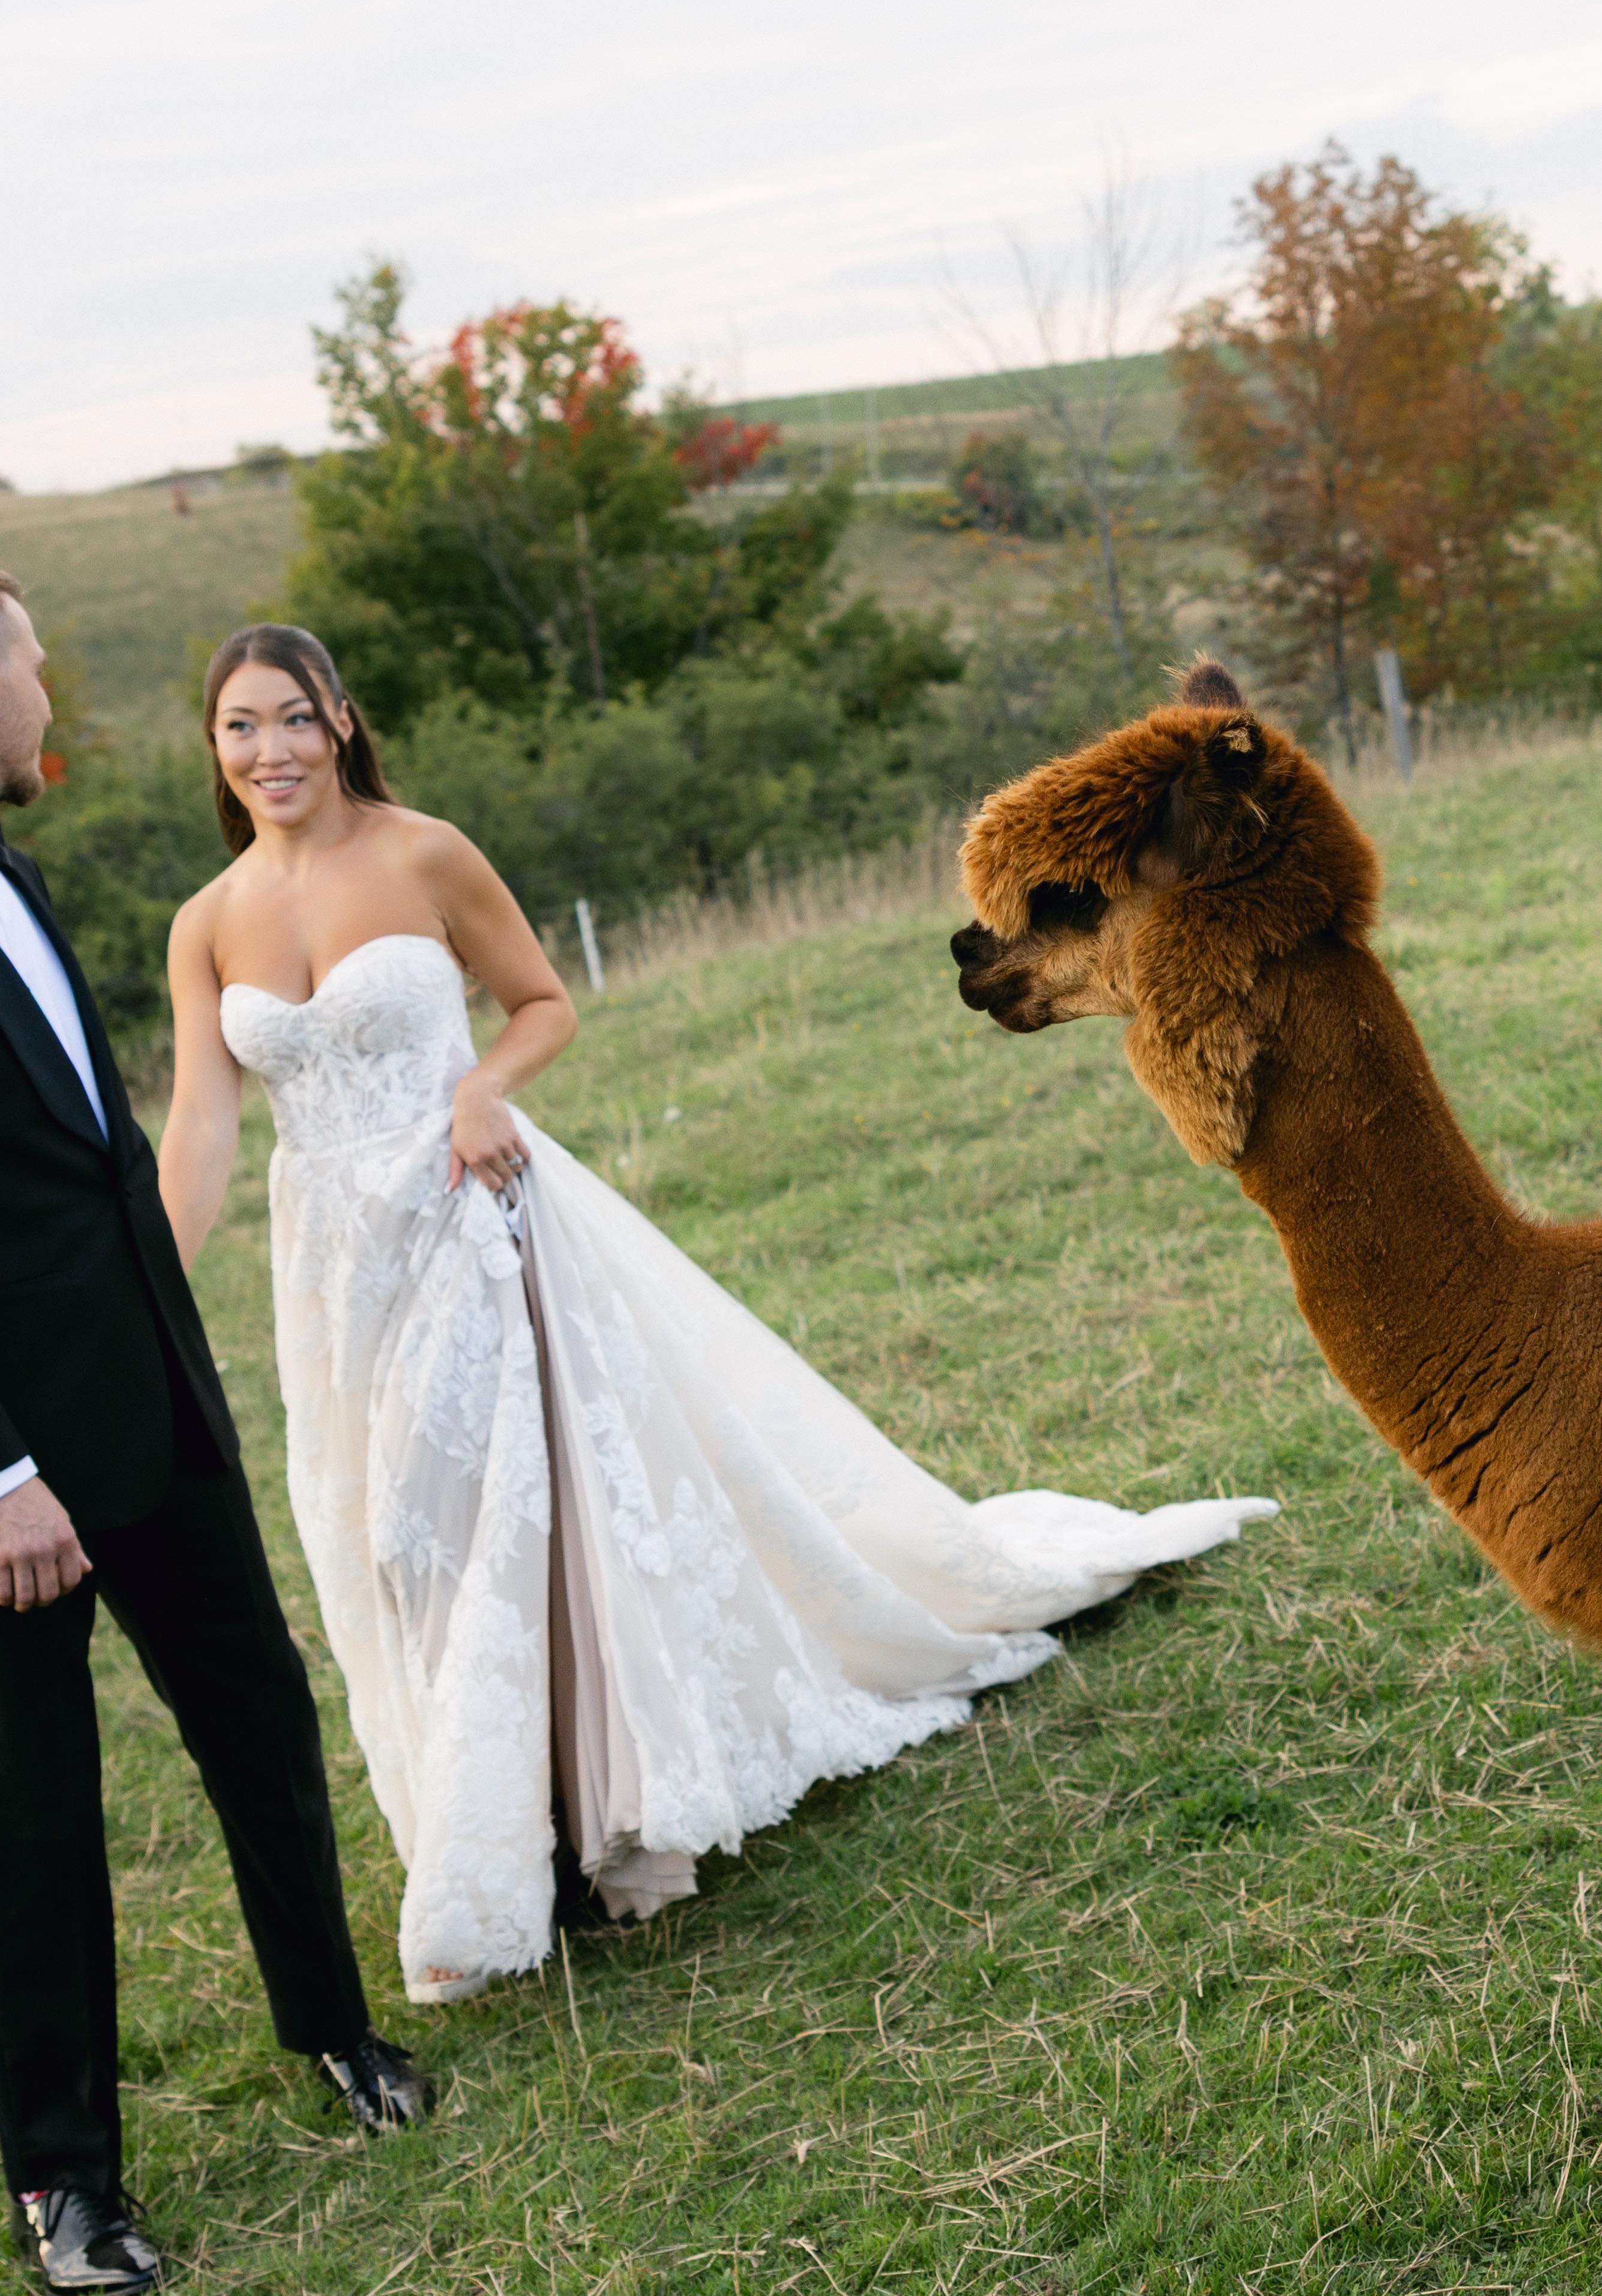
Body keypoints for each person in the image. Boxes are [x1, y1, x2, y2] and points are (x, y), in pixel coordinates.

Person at [160, 624, 1273, 2005]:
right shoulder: (205, 923)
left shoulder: (422, 853)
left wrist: (480, 1085)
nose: (268, 751)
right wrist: (149, 1282)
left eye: (290, 719)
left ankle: (554, 1850)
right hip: (335, 1270)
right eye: (238, 730)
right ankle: (500, 1829)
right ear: (215, 752)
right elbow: (203, 1120)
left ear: (339, 718)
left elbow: (542, 1001)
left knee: (495, 1521)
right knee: (391, 1545)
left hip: (468, 1215)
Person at [0, 555, 433, 2296]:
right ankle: (66, 2188)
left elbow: (74, 1162)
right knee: (40, 1819)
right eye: (39, 666)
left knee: (259, 1720)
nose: (54, 690)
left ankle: (338, 2035)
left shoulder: (0, 863)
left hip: (149, 1402)